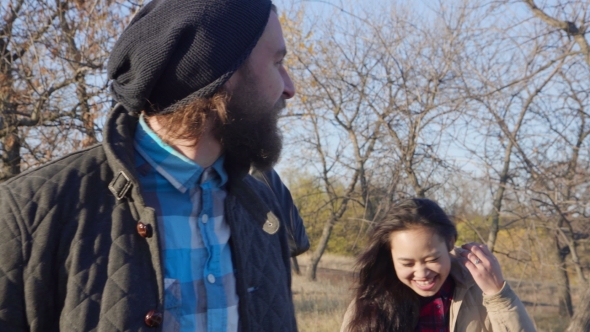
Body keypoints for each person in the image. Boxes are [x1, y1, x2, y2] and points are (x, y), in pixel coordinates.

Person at [0, 0, 301, 331]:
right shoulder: (29, 212)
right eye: (277, 63)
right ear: (222, 73)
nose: (289, 87)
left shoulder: (263, 202)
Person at [340, 198, 536, 332]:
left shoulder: (481, 292)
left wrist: (498, 295)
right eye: (407, 263)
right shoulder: (371, 300)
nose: (422, 273)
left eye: (432, 259)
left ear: (450, 243)